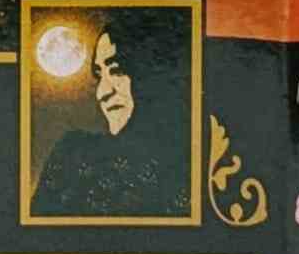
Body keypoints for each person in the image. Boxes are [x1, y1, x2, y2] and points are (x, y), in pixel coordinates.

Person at [30, 15, 191, 218]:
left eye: (117, 71)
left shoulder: (192, 158)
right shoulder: (74, 153)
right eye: (99, 76)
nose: (103, 92)